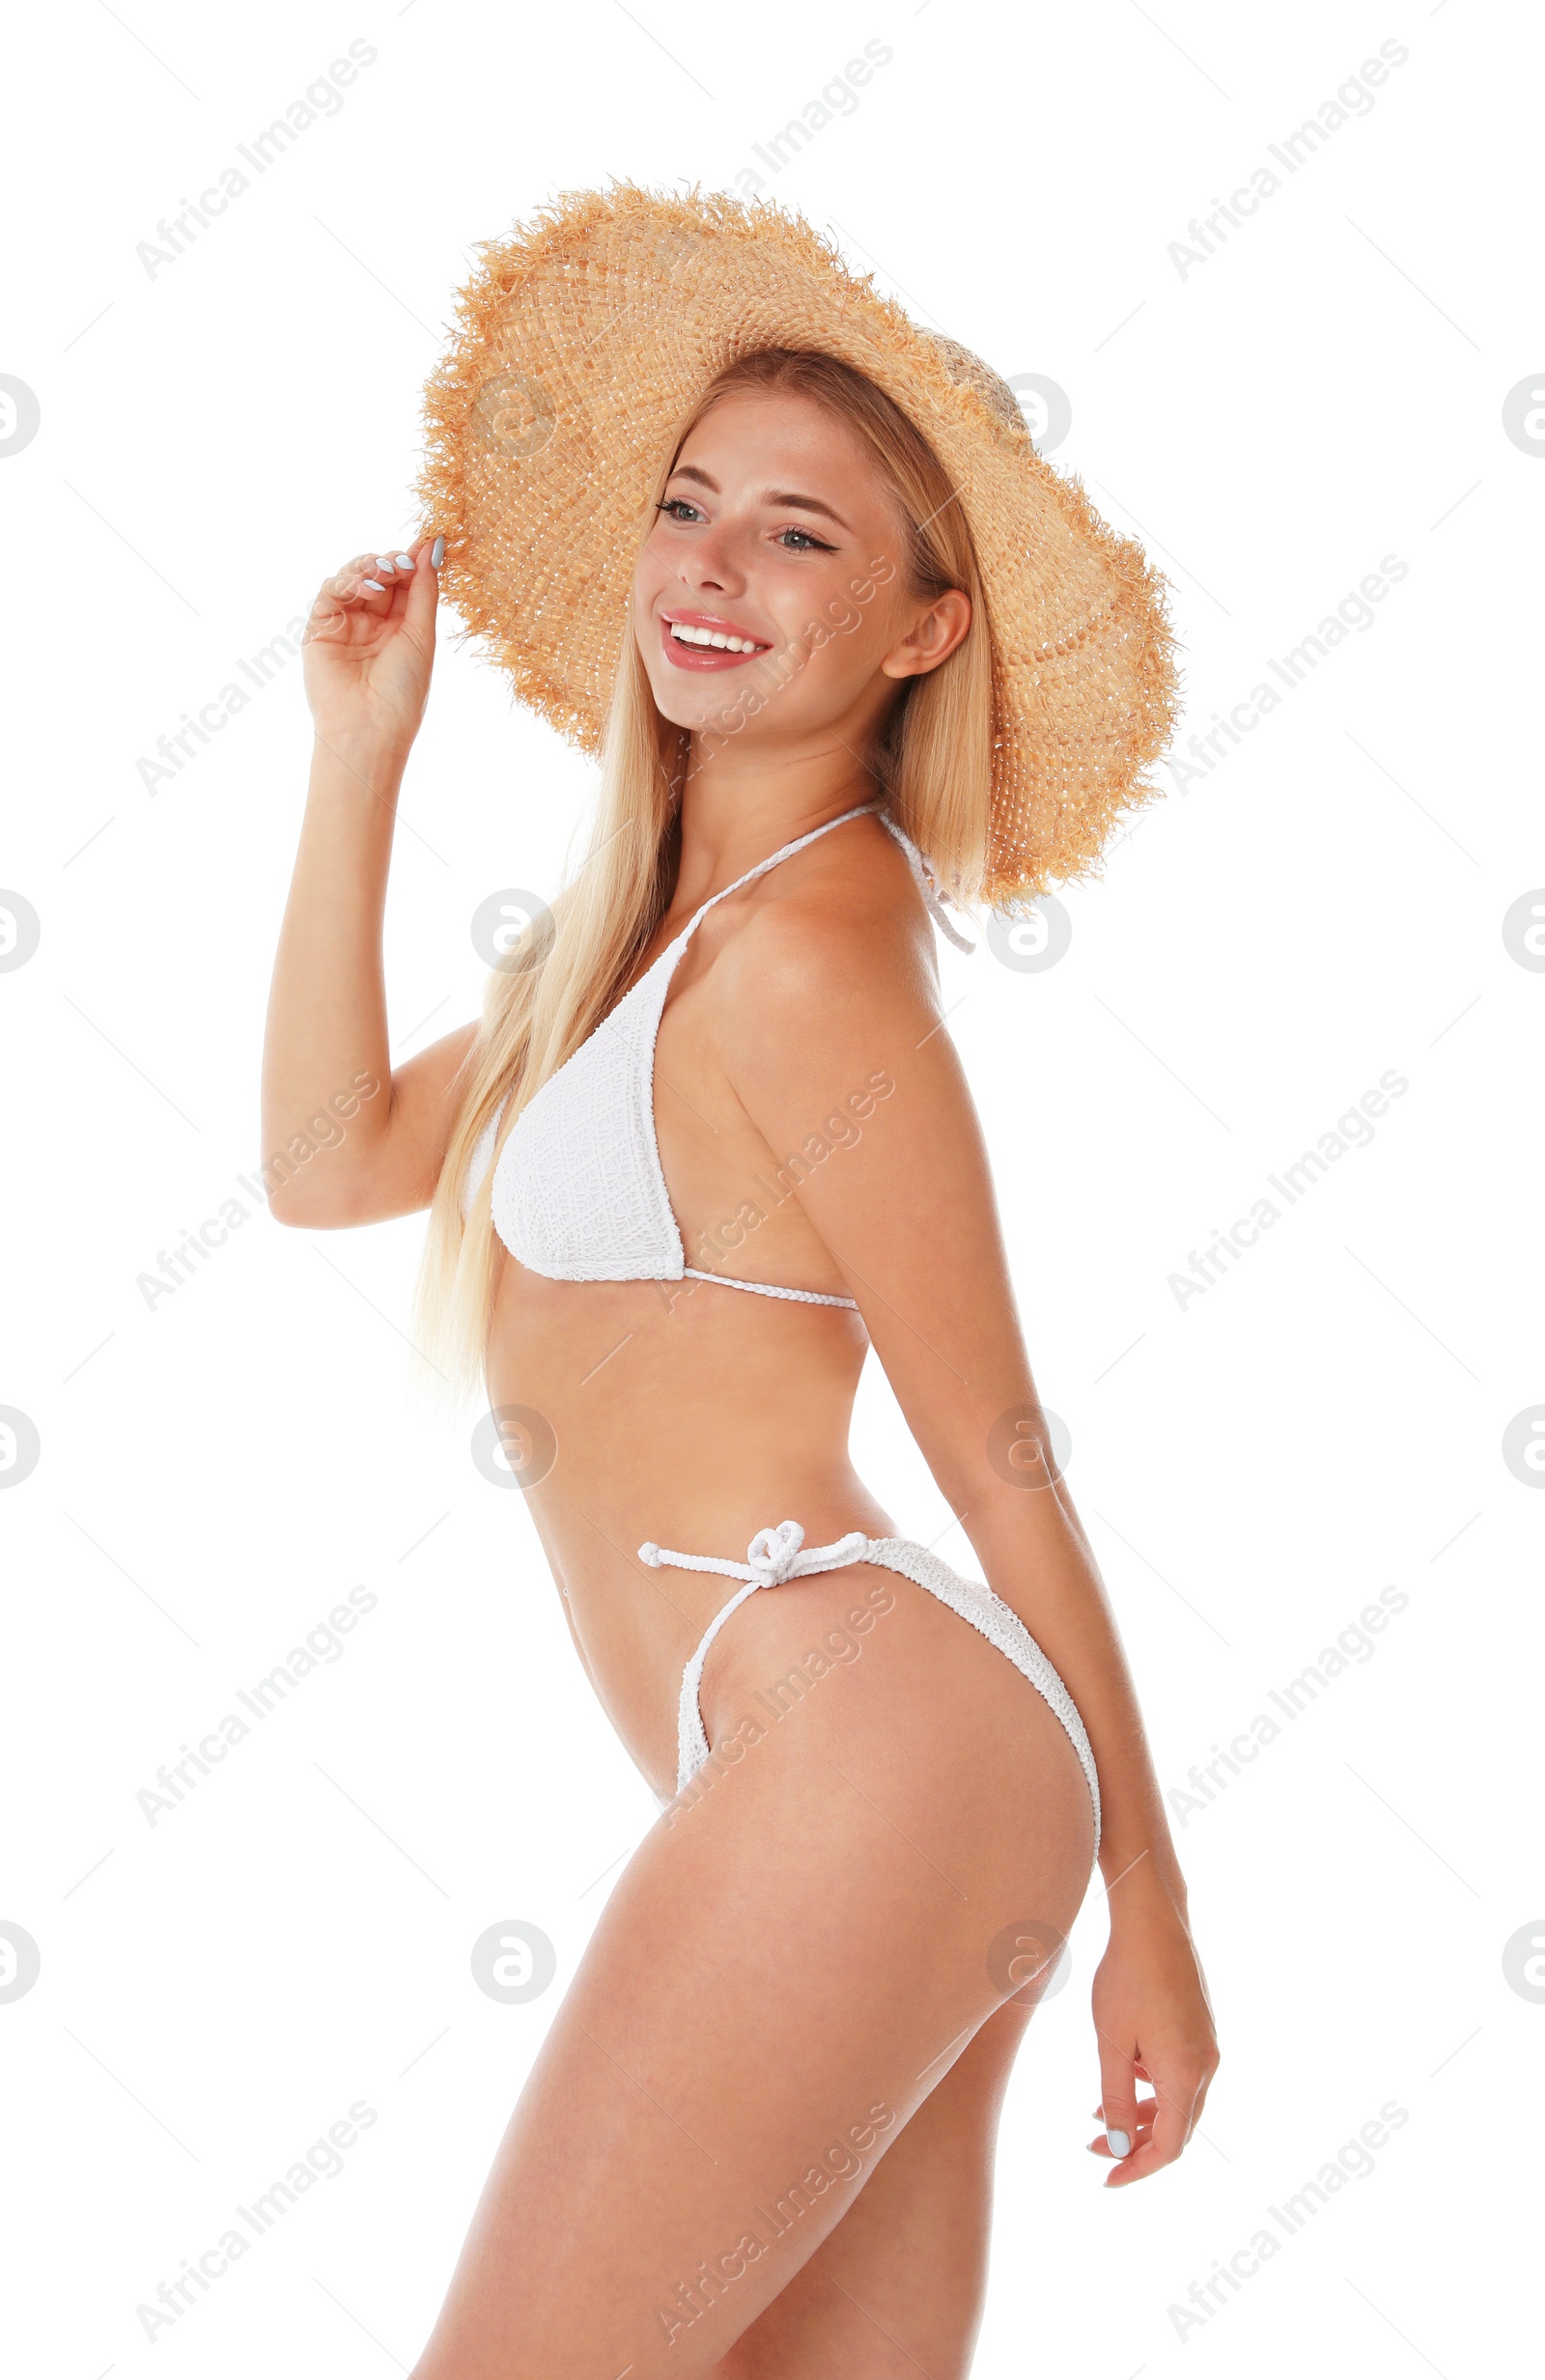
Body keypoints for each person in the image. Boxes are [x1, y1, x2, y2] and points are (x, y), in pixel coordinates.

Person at [263, 186, 1218, 2380]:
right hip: (856, 1760)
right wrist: (357, 760)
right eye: (691, 508)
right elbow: (325, 1169)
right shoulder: (649, 942)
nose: (711, 564)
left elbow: (994, 1449)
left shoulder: (813, 956)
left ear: (917, 631)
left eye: (801, 536)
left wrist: (1147, 1908)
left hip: (861, 1734)